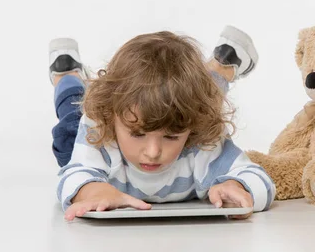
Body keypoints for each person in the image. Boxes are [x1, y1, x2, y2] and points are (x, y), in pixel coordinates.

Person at [48, 27, 275, 221]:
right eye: (137, 134)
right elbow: (72, 177)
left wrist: (238, 186)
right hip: (93, 122)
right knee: (73, 113)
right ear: (110, 117)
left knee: (205, 97)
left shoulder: (201, 142)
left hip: (189, 108)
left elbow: (259, 178)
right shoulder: (100, 126)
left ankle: (223, 63)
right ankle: (67, 73)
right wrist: (91, 190)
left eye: (171, 136)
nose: (153, 152)